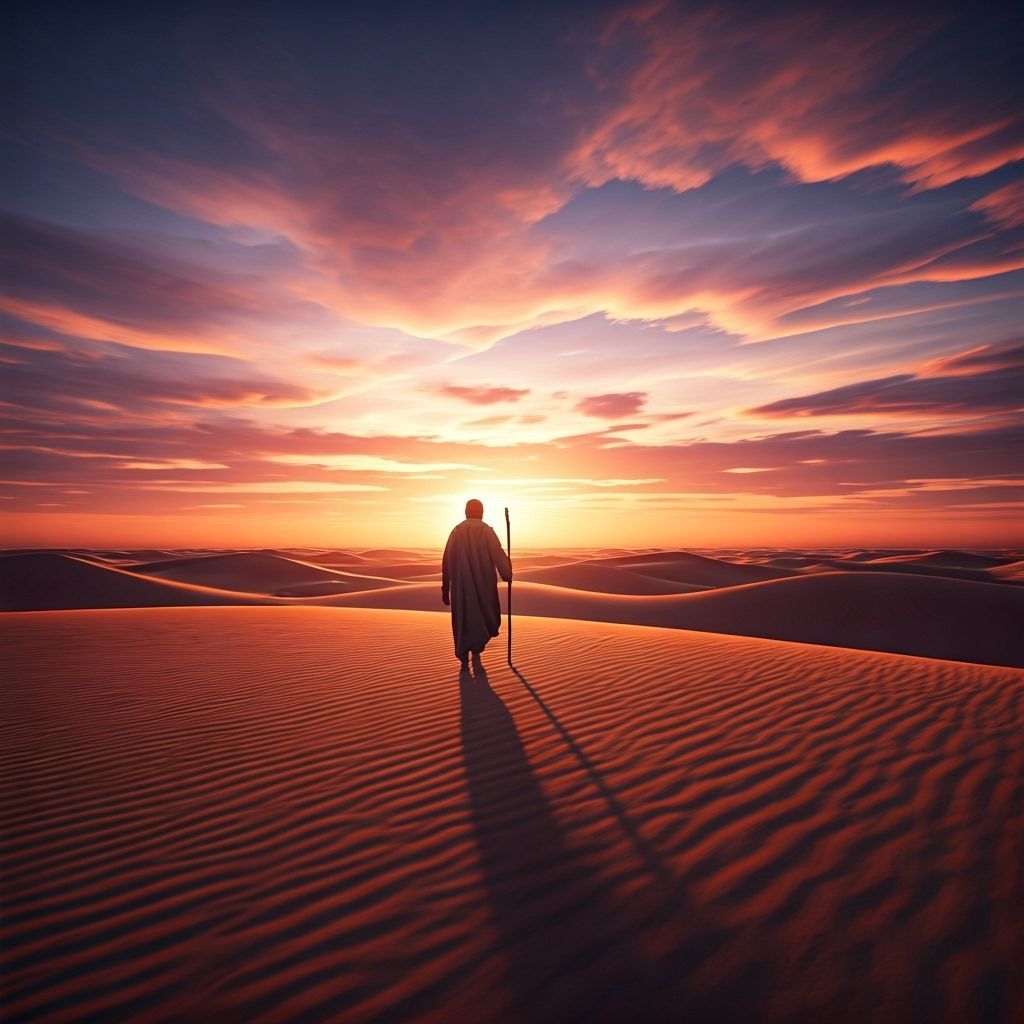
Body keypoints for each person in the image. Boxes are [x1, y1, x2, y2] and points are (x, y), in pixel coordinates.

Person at [442, 498, 512, 667]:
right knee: (483, 614)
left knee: (463, 618)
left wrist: (446, 588)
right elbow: (498, 554)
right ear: (481, 512)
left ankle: (465, 654)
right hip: (484, 585)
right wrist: (507, 573)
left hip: (461, 586)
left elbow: (447, 561)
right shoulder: (487, 531)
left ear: (466, 511)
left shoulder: (457, 531)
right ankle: (475, 650)